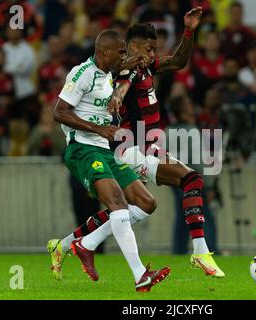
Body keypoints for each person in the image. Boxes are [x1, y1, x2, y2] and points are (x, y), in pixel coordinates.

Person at [69, 9, 225, 278]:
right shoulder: (127, 69)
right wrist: (117, 97)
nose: (153, 54)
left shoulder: (145, 67)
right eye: (149, 48)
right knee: (191, 180)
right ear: (131, 47)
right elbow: (122, 84)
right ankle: (200, 251)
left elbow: (177, 61)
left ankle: (84, 242)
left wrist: (189, 30)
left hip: (145, 146)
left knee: (142, 206)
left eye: (155, 49)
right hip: (130, 148)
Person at [47, 29, 170, 292]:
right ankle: (140, 276)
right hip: (83, 149)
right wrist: (99, 129)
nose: (123, 56)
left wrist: (137, 60)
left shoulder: (108, 73)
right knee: (118, 204)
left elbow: (124, 66)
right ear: (103, 52)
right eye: (121, 52)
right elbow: (59, 112)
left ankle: (83, 244)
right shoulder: (82, 73)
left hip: (105, 149)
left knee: (147, 203)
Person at [165, 95, 219, 255]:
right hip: (193, 180)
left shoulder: (168, 132)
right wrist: (208, 185)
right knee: (205, 217)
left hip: (176, 181)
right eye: (187, 103)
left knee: (182, 218)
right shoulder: (192, 131)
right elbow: (199, 162)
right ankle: (210, 251)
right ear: (182, 109)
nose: (191, 106)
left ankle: (178, 251)